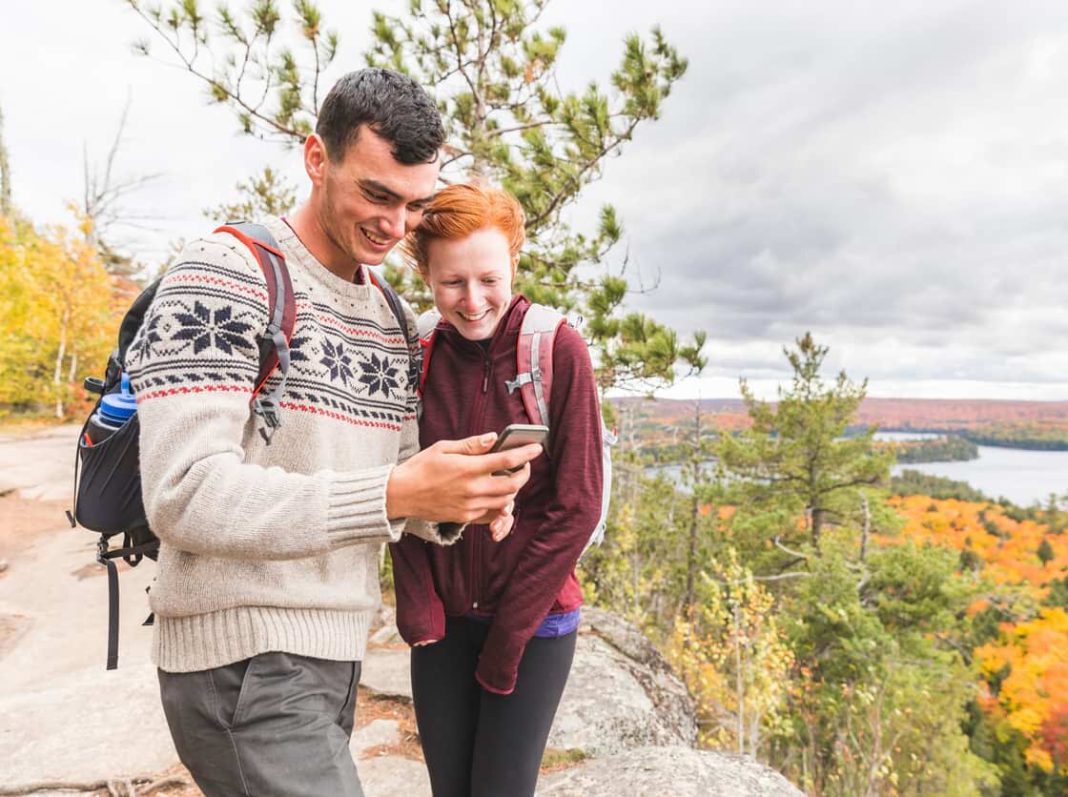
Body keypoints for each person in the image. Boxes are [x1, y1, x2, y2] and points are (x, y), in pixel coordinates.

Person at [124, 69, 541, 797]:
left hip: (332, 654)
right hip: (240, 659)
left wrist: (455, 496)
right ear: (317, 158)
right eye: (377, 194)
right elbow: (183, 493)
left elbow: (398, 475)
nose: (396, 224)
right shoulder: (224, 275)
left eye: (414, 204)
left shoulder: (388, 317)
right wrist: (395, 490)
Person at [390, 184, 604, 797]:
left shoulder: (556, 349)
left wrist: (510, 636)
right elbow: (397, 479)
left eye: (489, 278)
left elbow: (577, 505)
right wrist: (421, 604)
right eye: (452, 282)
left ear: (514, 259)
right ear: (426, 274)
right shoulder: (417, 354)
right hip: (445, 622)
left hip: (534, 623)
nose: (473, 301)